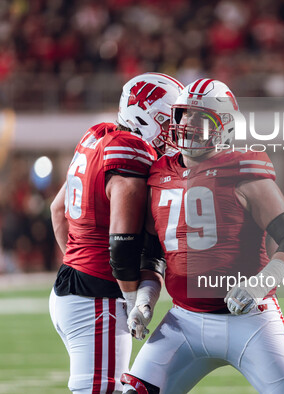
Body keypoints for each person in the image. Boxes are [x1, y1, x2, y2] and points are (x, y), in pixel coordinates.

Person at [121, 79, 284, 394]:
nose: (187, 124)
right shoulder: (159, 173)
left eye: (201, 117)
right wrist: (144, 301)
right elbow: (152, 254)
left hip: (250, 319)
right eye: (183, 114)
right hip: (183, 319)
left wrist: (258, 284)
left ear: (224, 126)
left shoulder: (242, 168)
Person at [49, 72, 183, 394]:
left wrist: (81, 261)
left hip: (69, 286)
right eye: (168, 121)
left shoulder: (99, 136)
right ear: (145, 116)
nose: (173, 132)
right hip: (99, 299)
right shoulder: (131, 153)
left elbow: (57, 211)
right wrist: (133, 298)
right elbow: (122, 248)